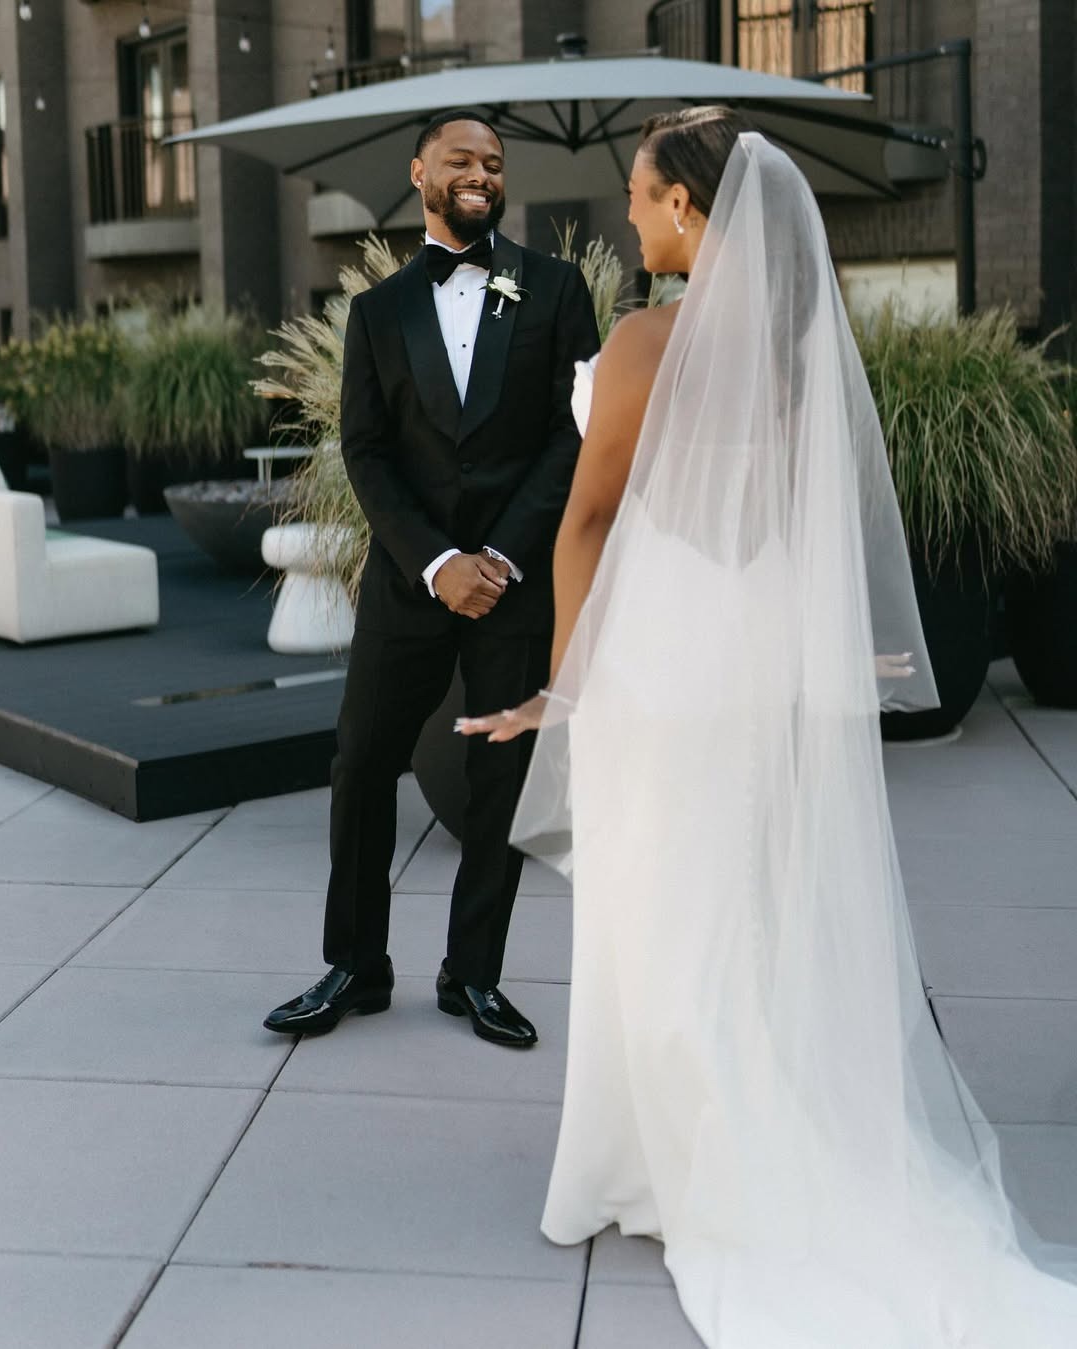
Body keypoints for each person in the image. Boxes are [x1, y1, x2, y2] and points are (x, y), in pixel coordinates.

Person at [460, 109, 1077, 1344]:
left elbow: (584, 527)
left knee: (653, 907)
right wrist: (825, 648)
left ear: (688, 210)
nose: (629, 216)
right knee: (741, 902)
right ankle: (734, 1139)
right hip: (752, 653)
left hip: (665, 653)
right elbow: (799, 526)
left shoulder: (643, 343)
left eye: (639, 196)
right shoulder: (798, 342)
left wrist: (566, 690)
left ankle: (671, 1163)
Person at [265, 109, 599, 1050]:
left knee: (500, 779)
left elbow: (577, 437)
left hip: (515, 583)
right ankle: (356, 965)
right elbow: (367, 452)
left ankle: (475, 973)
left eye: (494, 163)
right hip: (411, 583)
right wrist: (439, 562)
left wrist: (499, 557)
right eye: (462, 159)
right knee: (363, 760)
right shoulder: (377, 313)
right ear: (420, 172)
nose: (481, 174)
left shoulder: (558, 288)